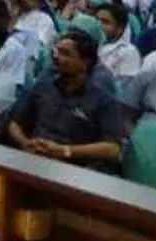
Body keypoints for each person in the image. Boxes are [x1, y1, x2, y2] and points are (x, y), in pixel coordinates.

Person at [8, 30, 126, 171]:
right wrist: (25, 143)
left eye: (65, 53)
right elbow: (15, 122)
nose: (56, 57)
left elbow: (112, 149)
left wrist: (65, 151)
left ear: (85, 63)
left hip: (74, 171)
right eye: (56, 51)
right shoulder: (42, 86)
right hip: (32, 160)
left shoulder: (104, 101)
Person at [96, 3, 141, 85]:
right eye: (96, 19)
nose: (98, 25)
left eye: (105, 22)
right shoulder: (91, 44)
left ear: (120, 28)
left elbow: (123, 85)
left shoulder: (129, 51)